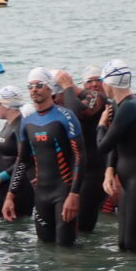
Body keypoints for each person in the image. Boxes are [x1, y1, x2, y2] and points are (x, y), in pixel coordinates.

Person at [2, 67, 85, 246]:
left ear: (49, 88)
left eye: (39, 85)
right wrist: (10, 196)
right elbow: (23, 161)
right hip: (41, 196)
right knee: (44, 252)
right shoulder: (27, 122)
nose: (34, 89)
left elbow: (80, 157)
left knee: (66, 250)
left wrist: (74, 194)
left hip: (63, 193)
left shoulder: (65, 117)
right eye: (30, 86)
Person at [96, 60, 136, 254]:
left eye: (102, 82)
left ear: (108, 83)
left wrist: (100, 125)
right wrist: (109, 171)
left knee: (134, 248)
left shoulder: (130, 107)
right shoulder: (123, 105)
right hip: (130, 182)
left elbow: (103, 145)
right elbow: (117, 145)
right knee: (124, 245)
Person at [56, 69, 105, 233]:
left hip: (93, 173)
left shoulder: (101, 100)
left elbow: (76, 112)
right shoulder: (65, 106)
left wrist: (68, 85)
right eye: (89, 82)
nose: (94, 84)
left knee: (83, 228)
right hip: (77, 174)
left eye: (97, 80)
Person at [0, 85, 33, 219]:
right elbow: (0, 157)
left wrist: (2, 176)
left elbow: (26, 159)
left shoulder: (20, 126)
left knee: (17, 234)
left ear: (7, 105)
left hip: (18, 189)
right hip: (3, 189)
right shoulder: (8, 124)